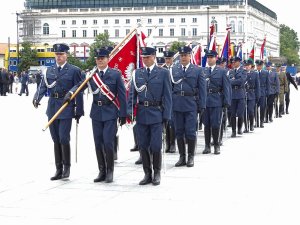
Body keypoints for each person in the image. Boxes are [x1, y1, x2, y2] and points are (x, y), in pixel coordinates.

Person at [64, 47, 127, 183]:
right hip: (96, 113)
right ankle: (102, 170)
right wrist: (70, 93)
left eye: (102, 59)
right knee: (98, 143)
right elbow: (81, 86)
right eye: (98, 59)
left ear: (107, 59)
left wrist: (123, 114)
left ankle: (110, 171)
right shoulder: (92, 75)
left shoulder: (115, 75)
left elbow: (122, 95)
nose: (100, 61)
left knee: (108, 143)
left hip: (110, 112)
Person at [32, 43, 84, 181]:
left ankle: (67, 167)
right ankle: (58, 168)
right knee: (55, 138)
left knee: (63, 137)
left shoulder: (74, 70)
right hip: (52, 107)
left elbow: (81, 86)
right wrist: (37, 97)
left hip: (66, 107)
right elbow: (43, 86)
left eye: (61, 54)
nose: (59, 57)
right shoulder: (49, 70)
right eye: (57, 54)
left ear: (66, 55)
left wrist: (77, 104)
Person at [127, 46, 172, 185]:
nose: (145, 60)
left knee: (156, 145)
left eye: (147, 57)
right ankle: (147, 173)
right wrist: (130, 110)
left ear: (153, 57)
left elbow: (168, 96)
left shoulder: (163, 73)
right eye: (143, 57)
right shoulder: (137, 73)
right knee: (143, 145)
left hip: (157, 113)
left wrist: (167, 115)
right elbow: (132, 95)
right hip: (141, 113)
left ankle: (157, 172)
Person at [171, 46, 206, 167]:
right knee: (179, 131)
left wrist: (202, 105)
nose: (183, 58)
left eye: (185, 55)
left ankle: (191, 156)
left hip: (191, 104)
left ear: (190, 56)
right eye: (181, 55)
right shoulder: (174, 70)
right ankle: (182, 156)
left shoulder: (197, 70)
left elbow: (202, 89)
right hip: (177, 104)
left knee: (190, 132)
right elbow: (170, 88)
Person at [202, 50, 230, 155]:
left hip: (216, 100)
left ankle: (216, 145)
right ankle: (207, 146)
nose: (209, 59)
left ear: (215, 58)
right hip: (205, 100)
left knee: (216, 124)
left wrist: (226, 101)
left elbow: (226, 87)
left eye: (211, 57)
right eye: (208, 57)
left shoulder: (221, 71)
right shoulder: (203, 71)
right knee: (206, 124)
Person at [228, 56, 247, 137]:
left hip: (240, 94)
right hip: (232, 95)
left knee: (240, 113)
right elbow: (228, 80)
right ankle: (233, 131)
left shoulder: (243, 71)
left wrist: (232, 81)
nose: (233, 63)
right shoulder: (231, 71)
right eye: (232, 62)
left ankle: (239, 128)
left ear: (238, 62)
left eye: (235, 62)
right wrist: (233, 81)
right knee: (232, 114)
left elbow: (241, 81)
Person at [162, 50, 176, 153]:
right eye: (166, 59)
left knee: (172, 123)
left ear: (172, 59)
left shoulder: (176, 70)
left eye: (169, 59)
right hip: (163, 100)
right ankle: (167, 144)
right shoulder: (161, 70)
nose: (167, 60)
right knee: (165, 123)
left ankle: (173, 144)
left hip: (174, 99)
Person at [243, 59, 260, 132]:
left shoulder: (255, 74)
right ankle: (246, 127)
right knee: (244, 112)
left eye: (248, 65)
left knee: (250, 111)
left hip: (252, 94)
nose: (246, 67)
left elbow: (257, 86)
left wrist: (257, 96)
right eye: (245, 65)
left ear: (251, 66)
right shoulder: (242, 73)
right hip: (243, 94)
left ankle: (251, 125)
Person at [255, 60, 269, 128]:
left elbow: (268, 83)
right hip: (255, 93)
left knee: (262, 108)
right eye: (257, 66)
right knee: (255, 108)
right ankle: (256, 122)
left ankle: (261, 122)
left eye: (260, 66)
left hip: (263, 92)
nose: (259, 67)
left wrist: (267, 92)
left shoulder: (265, 73)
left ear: (262, 66)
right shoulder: (254, 72)